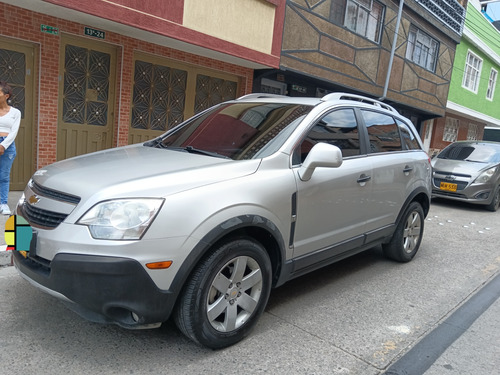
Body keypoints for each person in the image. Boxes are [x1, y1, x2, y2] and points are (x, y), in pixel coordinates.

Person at [0, 81, 21, 215]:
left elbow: (14, 132)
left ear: (6, 96)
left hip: (7, 145)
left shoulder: (15, 112)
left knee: (4, 176)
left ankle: (3, 203)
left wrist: (3, 145)